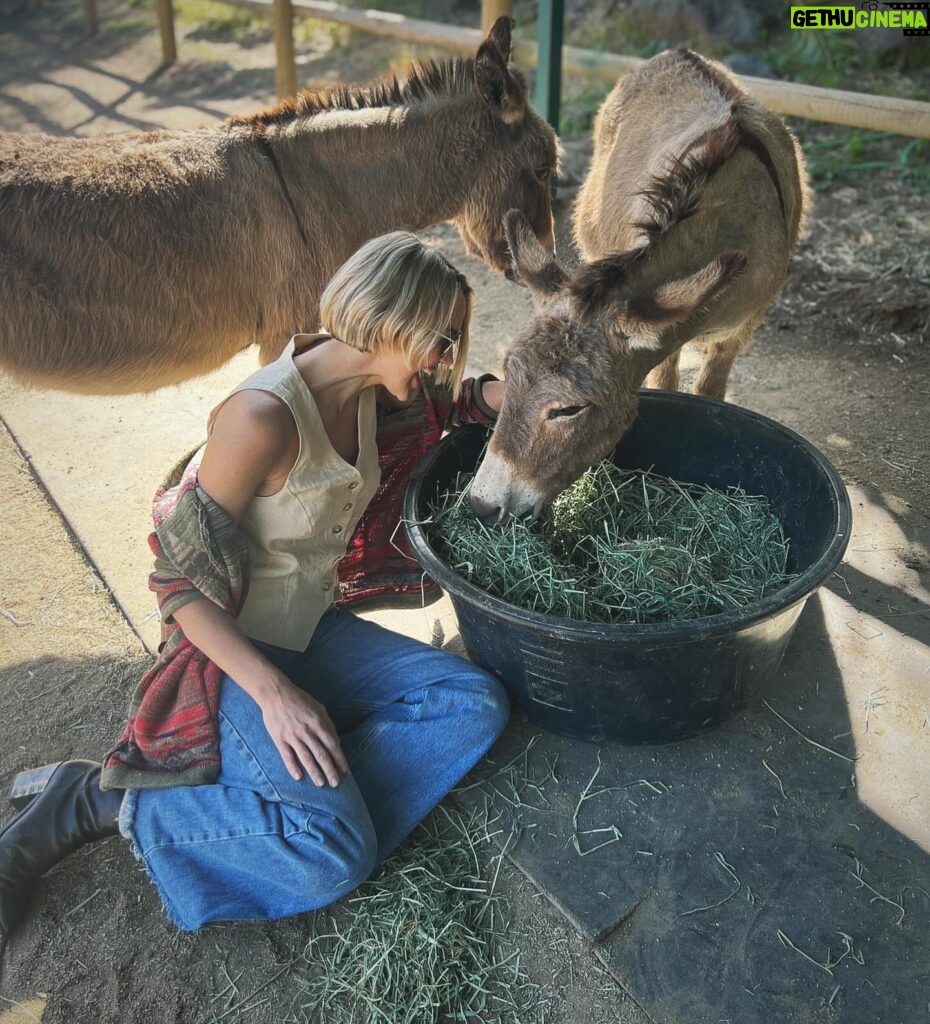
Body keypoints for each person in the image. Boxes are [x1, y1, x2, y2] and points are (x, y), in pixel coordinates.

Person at [0, 232, 510, 938]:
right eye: (442, 341)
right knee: (332, 855)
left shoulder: (367, 389)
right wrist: (274, 693)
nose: (446, 360)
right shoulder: (260, 417)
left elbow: (443, 412)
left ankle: (290, 808)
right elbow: (178, 585)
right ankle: (95, 802)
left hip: (311, 631)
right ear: (392, 324)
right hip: (233, 653)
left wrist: (519, 389)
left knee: (471, 701)